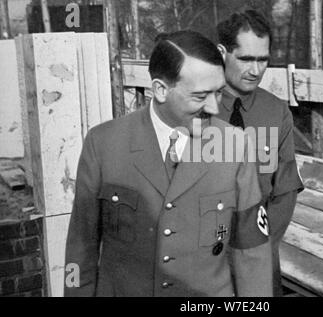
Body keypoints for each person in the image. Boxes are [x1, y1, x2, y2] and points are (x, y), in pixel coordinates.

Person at [64, 30, 273, 297]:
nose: (213, 107)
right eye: (200, 96)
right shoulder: (103, 143)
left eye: (218, 93)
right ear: (160, 90)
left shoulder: (235, 145)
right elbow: (81, 246)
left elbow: (251, 250)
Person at [216, 10, 304, 296]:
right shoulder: (194, 110)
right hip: (205, 261)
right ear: (222, 53)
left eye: (262, 59)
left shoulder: (276, 111)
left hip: (261, 256)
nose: (255, 70)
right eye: (245, 59)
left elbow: (286, 188)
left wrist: (260, 246)